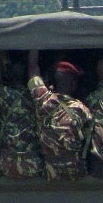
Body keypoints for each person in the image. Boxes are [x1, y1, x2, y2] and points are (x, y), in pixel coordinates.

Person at [27, 50, 91, 180]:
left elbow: (33, 69)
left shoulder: (43, 99)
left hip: (50, 172)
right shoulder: (82, 109)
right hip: (75, 172)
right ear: (74, 84)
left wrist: (33, 43)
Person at [0, 51, 43, 178]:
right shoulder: (37, 96)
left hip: (7, 163)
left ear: (8, 76)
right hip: (33, 163)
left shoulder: (2, 94)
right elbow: (34, 70)